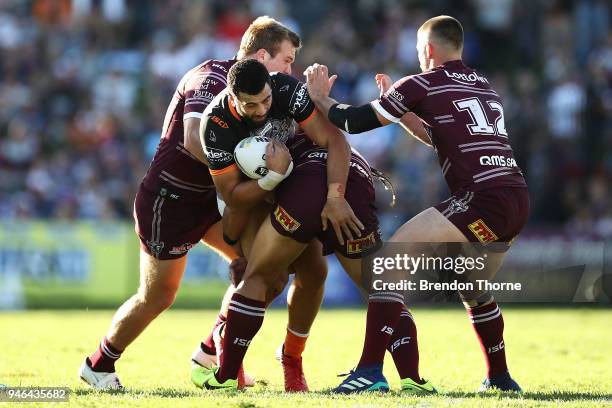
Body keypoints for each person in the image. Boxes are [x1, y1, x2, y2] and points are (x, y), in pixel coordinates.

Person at [78, 16, 348, 391]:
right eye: (287, 61)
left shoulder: (268, 97)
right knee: (158, 296)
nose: (291, 70)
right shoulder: (212, 77)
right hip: (172, 199)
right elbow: (192, 140)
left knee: (266, 270)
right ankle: (99, 363)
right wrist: (258, 171)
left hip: (218, 199)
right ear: (262, 55)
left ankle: (212, 353)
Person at [305, 15, 529, 393]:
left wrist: (319, 98)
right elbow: (440, 137)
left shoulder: (422, 82)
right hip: (515, 196)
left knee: (389, 262)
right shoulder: (484, 85)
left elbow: (355, 121)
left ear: (427, 50)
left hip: (481, 198)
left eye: (417, 52)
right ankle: (501, 378)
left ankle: (370, 371)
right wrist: (405, 112)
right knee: (471, 285)